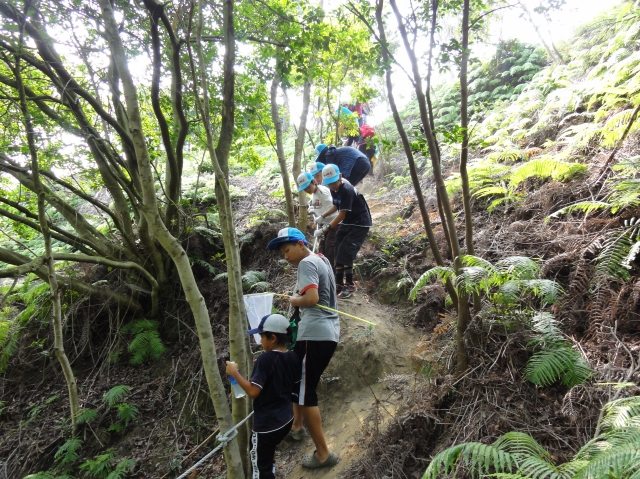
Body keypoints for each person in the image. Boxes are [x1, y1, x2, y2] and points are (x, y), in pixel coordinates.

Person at [267, 227, 340, 469]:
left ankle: (323, 454)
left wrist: (293, 299)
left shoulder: (306, 263)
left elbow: (311, 299)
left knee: (306, 393)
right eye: (282, 253)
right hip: (326, 333)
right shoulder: (322, 259)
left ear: (300, 244)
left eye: (287, 250)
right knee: (297, 382)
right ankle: (297, 426)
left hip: (314, 335)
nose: (285, 256)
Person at [226, 314, 301, 479]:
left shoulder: (265, 359)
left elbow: (253, 392)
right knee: (269, 454)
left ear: (273, 337)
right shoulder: (293, 357)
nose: (260, 341)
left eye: (262, 336)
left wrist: (235, 373)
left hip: (267, 425)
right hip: (286, 419)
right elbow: (288, 381)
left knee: (260, 468)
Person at [317, 164, 372, 299]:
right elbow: (337, 205)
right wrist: (323, 216)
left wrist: (326, 228)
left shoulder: (346, 189)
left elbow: (341, 214)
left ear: (340, 177)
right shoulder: (333, 189)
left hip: (360, 223)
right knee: (337, 249)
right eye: (328, 184)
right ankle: (339, 283)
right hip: (348, 221)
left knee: (346, 253)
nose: (332, 186)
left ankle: (350, 284)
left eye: (334, 183)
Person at [296, 172, 338, 268]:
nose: (306, 190)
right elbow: (322, 206)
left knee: (329, 249)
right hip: (325, 225)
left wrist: (322, 216)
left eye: (307, 187)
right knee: (322, 249)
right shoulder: (314, 194)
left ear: (314, 181)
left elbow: (335, 207)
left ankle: (332, 273)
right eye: (304, 189)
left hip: (334, 224)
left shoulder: (322, 192)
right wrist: (314, 210)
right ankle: (323, 270)